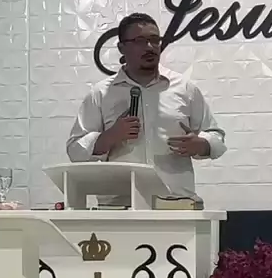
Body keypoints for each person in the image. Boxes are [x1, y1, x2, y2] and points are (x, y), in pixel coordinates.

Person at [66, 13, 226, 201]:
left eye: (154, 40)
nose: (149, 47)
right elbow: (75, 150)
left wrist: (202, 144)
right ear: (122, 48)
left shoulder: (185, 89)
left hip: (175, 204)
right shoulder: (100, 94)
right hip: (120, 206)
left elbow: (216, 137)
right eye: (140, 41)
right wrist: (110, 136)